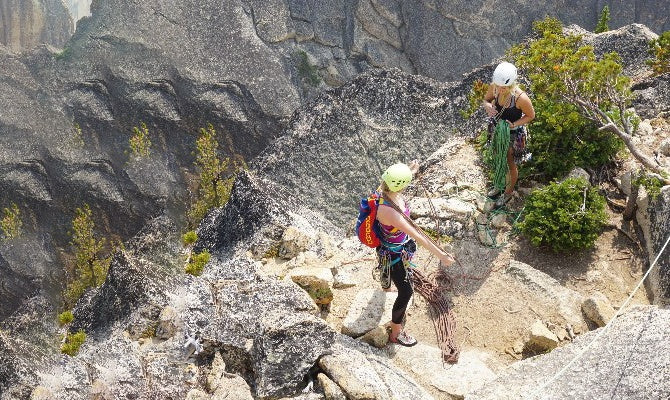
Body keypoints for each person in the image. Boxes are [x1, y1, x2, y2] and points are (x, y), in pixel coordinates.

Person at [375, 161, 456, 347]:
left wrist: (410, 171)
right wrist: (442, 256)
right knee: (406, 292)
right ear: (400, 185)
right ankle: (396, 331)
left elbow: (396, 183)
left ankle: (387, 287)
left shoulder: (384, 192)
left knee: (386, 269)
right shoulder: (392, 213)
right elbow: (419, 236)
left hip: (388, 249)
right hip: (395, 255)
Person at [482, 62, 535, 207]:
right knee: (499, 158)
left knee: (510, 162)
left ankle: (508, 192)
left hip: (513, 133)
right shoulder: (495, 87)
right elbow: (486, 100)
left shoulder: (520, 98)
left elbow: (531, 115)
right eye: (498, 86)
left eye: (504, 87)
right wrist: (488, 107)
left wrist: (514, 124)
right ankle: (499, 185)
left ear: (512, 84)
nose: (500, 89)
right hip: (498, 130)